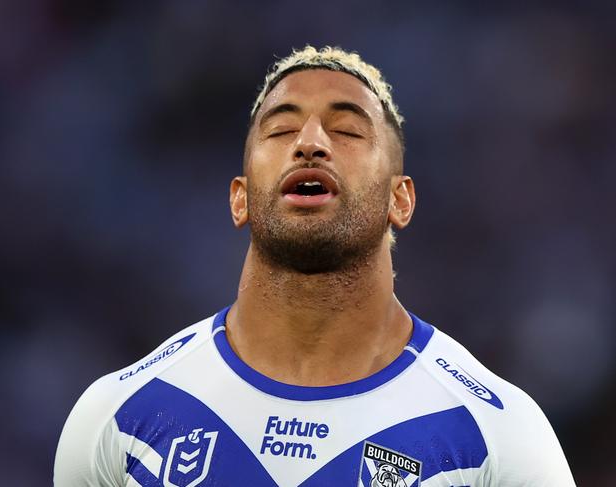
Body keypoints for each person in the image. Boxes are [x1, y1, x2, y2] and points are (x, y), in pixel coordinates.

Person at [54, 45, 575, 487]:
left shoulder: (495, 440)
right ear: (240, 200)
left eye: (348, 131)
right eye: (280, 132)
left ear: (401, 200)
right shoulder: (120, 419)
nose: (311, 143)